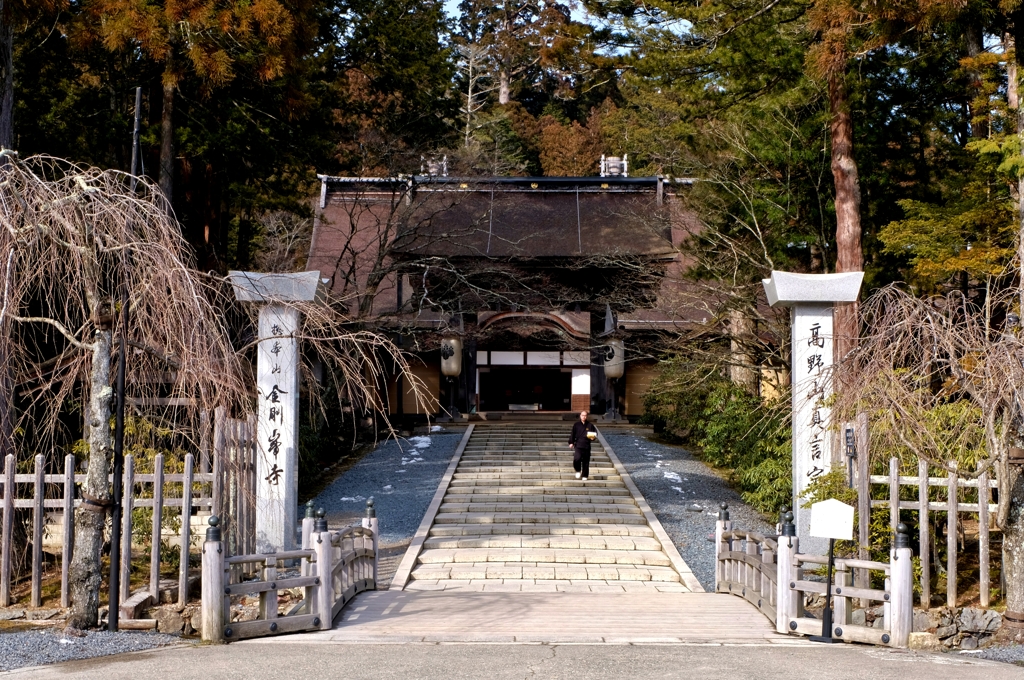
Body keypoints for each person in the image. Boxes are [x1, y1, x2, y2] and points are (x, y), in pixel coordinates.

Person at [568, 410, 597, 481]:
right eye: (582, 415)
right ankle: (578, 470)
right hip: (578, 445)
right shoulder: (576, 425)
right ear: (580, 416)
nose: (584, 417)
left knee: (586, 461)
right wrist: (571, 442)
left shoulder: (590, 425)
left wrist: (593, 438)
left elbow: (595, 434)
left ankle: (585, 475)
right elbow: (573, 434)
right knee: (577, 459)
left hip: (586, 445)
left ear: (587, 416)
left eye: (585, 415)